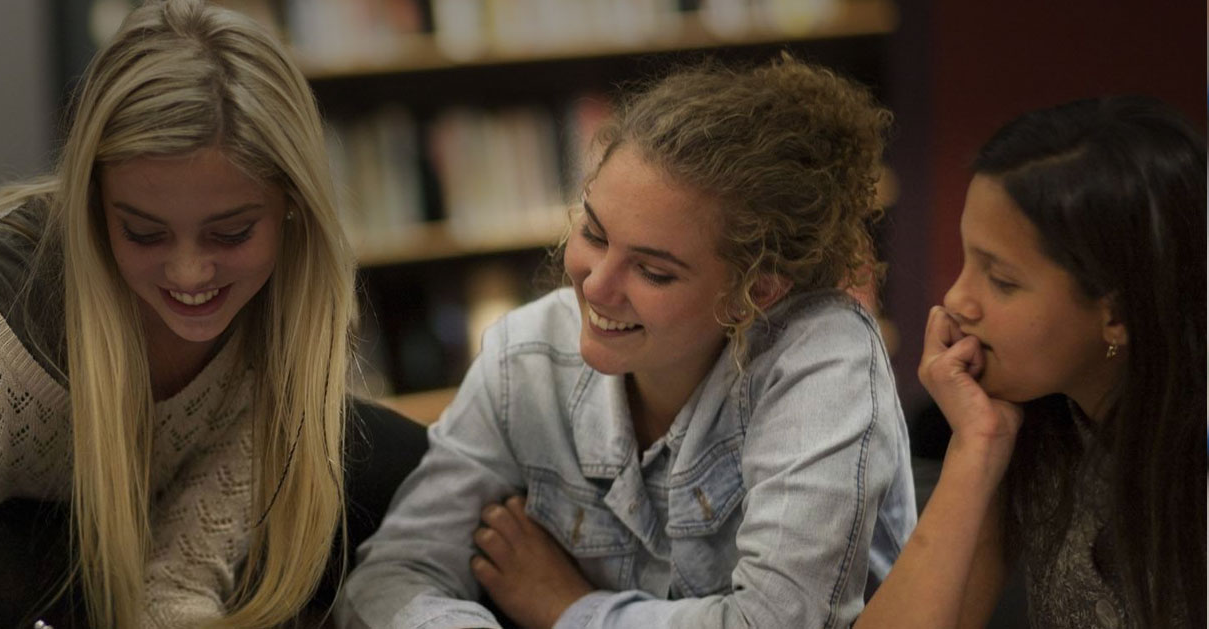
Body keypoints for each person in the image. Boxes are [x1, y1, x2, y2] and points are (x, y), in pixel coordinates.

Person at [0, 1, 429, 627]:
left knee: (401, 463)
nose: (189, 274)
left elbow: (177, 584)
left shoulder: (287, 310)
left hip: (115, 492)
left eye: (231, 234)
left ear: (291, 207)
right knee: (7, 593)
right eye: (144, 232)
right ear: (92, 207)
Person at [336, 56, 917, 629]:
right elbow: (393, 577)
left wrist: (569, 610)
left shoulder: (822, 362)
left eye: (653, 272)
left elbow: (776, 623)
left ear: (756, 291)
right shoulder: (527, 356)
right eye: (593, 233)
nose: (595, 285)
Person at [856, 97, 1205, 628]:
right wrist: (977, 447)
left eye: (1002, 280)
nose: (956, 299)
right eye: (967, 259)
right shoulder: (1036, 421)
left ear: (1117, 315)